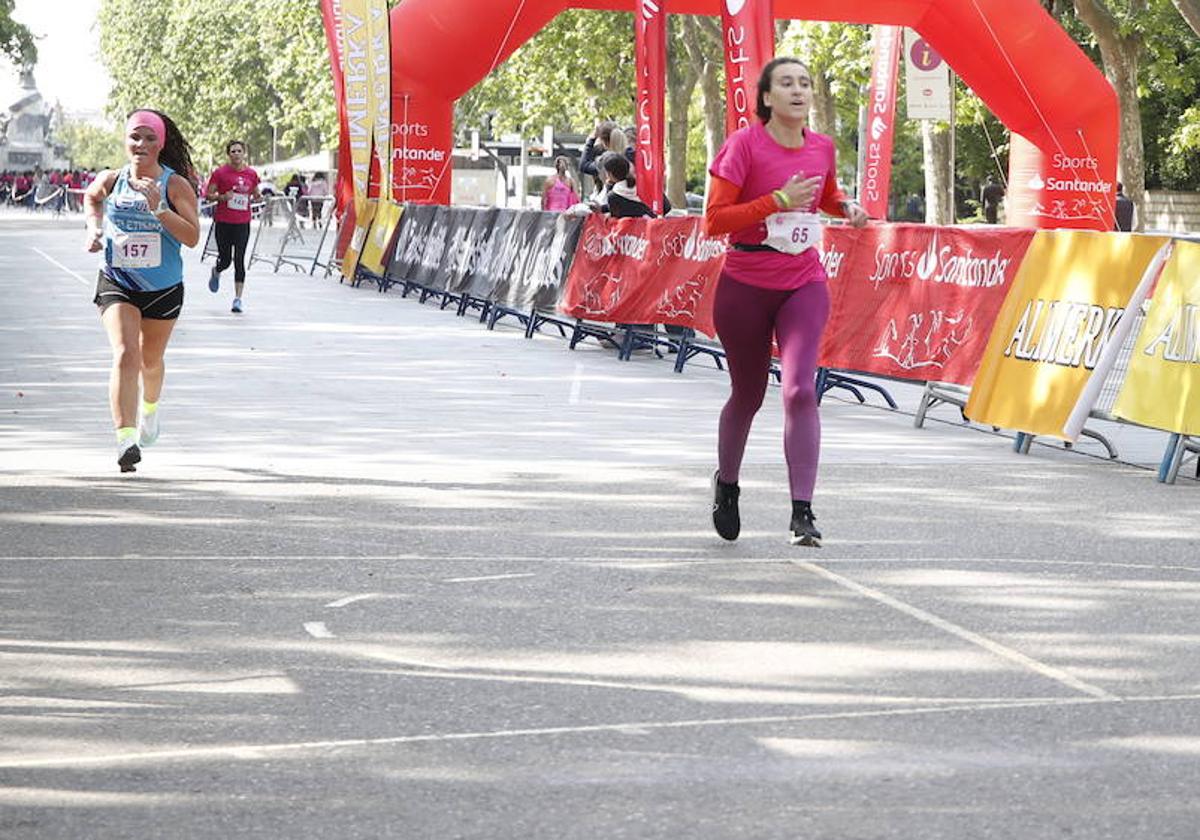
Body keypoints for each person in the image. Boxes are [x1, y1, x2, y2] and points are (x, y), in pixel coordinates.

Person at [703, 57, 869, 547]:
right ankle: (728, 485)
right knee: (748, 395)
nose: (798, 91)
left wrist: (847, 207)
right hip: (745, 284)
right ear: (767, 98)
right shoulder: (743, 145)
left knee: (799, 390)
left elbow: (825, 195)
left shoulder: (822, 147)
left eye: (804, 83)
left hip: (803, 280)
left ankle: (803, 511)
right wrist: (775, 201)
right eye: (786, 84)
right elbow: (714, 221)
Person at [83, 108, 200, 472]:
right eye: (136, 137)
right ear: (125, 140)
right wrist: (94, 229)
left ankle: (150, 408)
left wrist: (160, 209)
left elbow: (193, 237)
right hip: (118, 280)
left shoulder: (174, 184)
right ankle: (125, 440)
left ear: (161, 144)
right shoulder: (112, 178)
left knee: (150, 361)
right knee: (125, 354)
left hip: (163, 288)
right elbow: (91, 197)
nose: (141, 144)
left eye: (150, 138)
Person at [205, 140, 261, 313]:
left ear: (244, 153)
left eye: (239, 151)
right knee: (226, 259)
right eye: (233, 151)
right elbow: (208, 195)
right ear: (228, 154)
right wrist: (222, 197)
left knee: (239, 260)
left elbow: (255, 193)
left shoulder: (251, 174)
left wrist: (257, 197)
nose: (236, 154)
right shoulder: (220, 173)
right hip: (223, 222)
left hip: (243, 222)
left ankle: (238, 299)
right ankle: (217, 270)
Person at [598, 151, 654, 218]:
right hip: (651, 225)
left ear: (610, 174)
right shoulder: (644, 185)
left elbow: (615, 217)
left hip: (630, 227)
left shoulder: (613, 196)